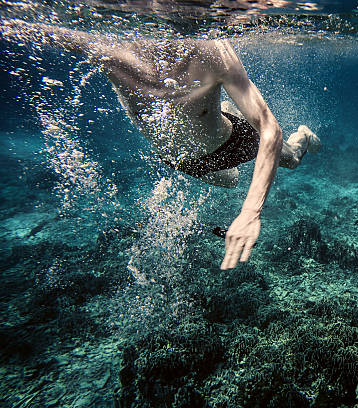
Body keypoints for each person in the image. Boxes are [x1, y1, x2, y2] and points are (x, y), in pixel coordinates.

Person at [1, 19, 320, 270]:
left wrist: (250, 212)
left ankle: (302, 137)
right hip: (180, 158)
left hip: (230, 143)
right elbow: (32, 28)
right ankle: (225, 111)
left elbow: (269, 129)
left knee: (288, 159)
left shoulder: (213, 51)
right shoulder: (108, 50)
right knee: (233, 180)